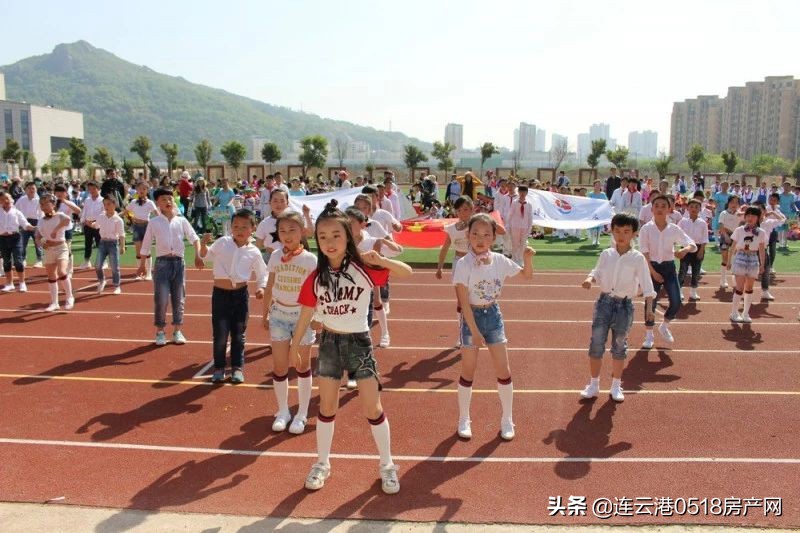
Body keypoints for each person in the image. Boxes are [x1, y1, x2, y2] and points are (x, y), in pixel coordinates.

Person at [289, 200, 413, 494]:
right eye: (322, 237)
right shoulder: (316, 277)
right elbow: (306, 313)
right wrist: (296, 345)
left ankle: (387, 465)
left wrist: (382, 261)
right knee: (327, 407)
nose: (329, 242)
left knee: (373, 407)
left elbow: (407, 272)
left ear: (347, 236)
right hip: (330, 342)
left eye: (336, 235)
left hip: (359, 342)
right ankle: (322, 463)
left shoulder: (364, 267)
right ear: (316, 240)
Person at [453, 213, 535, 439]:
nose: (480, 239)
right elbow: (463, 301)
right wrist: (475, 330)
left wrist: (527, 258)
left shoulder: (499, 260)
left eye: (486, 234)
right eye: (475, 234)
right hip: (472, 318)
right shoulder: (463, 264)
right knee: (468, 371)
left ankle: (507, 419)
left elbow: (527, 276)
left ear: (493, 238)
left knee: (503, 370)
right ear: (468, 236)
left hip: (494, 315)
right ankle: (464, 418)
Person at [580, 213, 655, 402]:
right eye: (617, 231)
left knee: (619, 346)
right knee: (596, 344)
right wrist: (590, 278)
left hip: (624, 306)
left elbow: (647, 285)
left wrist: (649, 308)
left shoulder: (637, 258)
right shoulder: (607, 254)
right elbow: (596, 270)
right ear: (612, 231)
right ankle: (594, 384)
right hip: (604, 303)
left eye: (626, 231)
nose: (621, 235)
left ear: (634, 234)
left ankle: (615, 385)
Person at [262, 211, 317, 431]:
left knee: (302, 365)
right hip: (279, 316)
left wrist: (318, 318)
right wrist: (264, 312)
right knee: (280, 365)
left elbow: (317, 292)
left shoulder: (310, 260)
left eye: (292, 230)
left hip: (302, 317)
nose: (286, 235)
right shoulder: (275, 256)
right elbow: (269, 286)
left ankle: (302, 413)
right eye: (282, 231)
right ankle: (283, 411)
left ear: (302, 232)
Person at [199, 209, 266, 384]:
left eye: (244, 226)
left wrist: (262, 288)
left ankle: (237, 368)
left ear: (253, 228)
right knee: (220, 335)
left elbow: (262, 274)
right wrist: (203, 245)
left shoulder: (254, 252)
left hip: (240, 296)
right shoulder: (222, 243)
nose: (239, 230)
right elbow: (205, 257)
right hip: (220, 295)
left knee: (238, 334)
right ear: (231, 228)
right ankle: (219, 368)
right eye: (236, 226)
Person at [137, 188, 204, 346]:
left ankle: (177, 331)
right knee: (161, 298)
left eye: (170, 199)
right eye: (163, 199)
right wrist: (142, 265)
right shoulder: (154, 222)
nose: (167, 202)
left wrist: (197, 254)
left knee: (179, 298)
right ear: (158, 204)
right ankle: (160, 331)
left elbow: (194, 238)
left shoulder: (181, 221)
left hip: (179, 264)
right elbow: (146, 245)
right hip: (162, 264)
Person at [639, 195, 697, 349]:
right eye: (656, 205)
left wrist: (684, 250)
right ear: (651, 209)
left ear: (669, 209)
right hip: (652, 268)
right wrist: (653, 272)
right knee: (650, 302)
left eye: (663, 206)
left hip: (669, 268)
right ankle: (649, 335)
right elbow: (643, 253)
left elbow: (692, 244)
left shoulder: (674, 229)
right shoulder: (646, 229)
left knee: (676, 301)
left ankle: (664, 325)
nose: (659, 209)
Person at [34, 194, 74, 311]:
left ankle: (69, 297)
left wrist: (56, 230)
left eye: (46, 203)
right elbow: (37, 236)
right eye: (42, 204)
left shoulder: (60, 216)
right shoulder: (41, 220)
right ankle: (54, 302)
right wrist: (42, 244)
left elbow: (67, 220)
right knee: (51, 276)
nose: (44, 206)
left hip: (61, 247)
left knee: (62, 272)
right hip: (49, 249)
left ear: (53, 204)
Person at [728, 207, 767, 323]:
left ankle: (745, 313)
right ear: (745, 217)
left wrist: (762, 265)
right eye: (748, 215)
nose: (750, 218)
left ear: (758, 218)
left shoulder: (761, 232)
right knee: (739, 287)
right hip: (740, 256)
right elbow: (733, 246)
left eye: (753, 216)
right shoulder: (739, 230)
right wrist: (730, 261)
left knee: (749, 288)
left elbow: (761, 249)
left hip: (753, 258)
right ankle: (734, 312)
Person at [0, 191, 35, 292]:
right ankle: (9, 283)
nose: (5, 201)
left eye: (7, 198)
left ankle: (22, 283)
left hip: (15, 238)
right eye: (2, 199)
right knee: (6, 262)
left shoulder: (17, 212)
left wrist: (35, 228)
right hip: (2, 239)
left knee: (18, 261)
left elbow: (25, 224)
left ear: (12, 199)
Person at [93, 195, 126, 295]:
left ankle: (117, 286)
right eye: (105, 204)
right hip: (102, 243)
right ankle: (102, 280)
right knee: (97, 265)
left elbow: (121, 234)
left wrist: (122, 246)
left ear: (114, 205)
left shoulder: (118, 220)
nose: (106, 206)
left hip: (113, 243)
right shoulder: (101, 216)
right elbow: (97, 226)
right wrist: (91, 223)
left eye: (108, 204)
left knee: (115, 267)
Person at [127, 181, 159, 281]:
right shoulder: (133, 202)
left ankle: (149, 273)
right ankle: (139, 272)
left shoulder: (150, 202)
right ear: (136, 189)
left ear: (147, 190)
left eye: (144, 189)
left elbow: (156, 213)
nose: (142, 190)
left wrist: (166, 221)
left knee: (146, 250)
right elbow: (126, 211)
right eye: (140, 188)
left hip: (147, 227)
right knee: (138, 250)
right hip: (136, 227)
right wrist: (113, 215)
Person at [677, 200, 709, 301]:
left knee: (696, 271)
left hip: (698, 248)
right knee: (683, 271)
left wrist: (701, 251)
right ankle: (679, 291)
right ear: (688, 208)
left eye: (696, 207)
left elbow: (705, 238)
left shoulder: (703, 223)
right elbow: (677, 233)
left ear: (700, 209)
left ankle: (693, 292)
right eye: (691, 207)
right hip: (686, 248)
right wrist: (681, 248)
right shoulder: (683, 221)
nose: (694, 209)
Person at [754, 199, 785, 301]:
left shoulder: (769, 222)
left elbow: (782, 220)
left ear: (764, 211)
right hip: (751, 250)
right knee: (748, 271)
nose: (758, 212)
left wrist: (773, 212)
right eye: (755, 210)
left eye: (760, 210)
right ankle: (741, 289)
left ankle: (765, 291)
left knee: (766, 270)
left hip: (763, 249)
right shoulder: (750, 221)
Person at [14, 181, 43, 268]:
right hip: (24, 222)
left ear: (36, 189)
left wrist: (41, 225)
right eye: (29, 188)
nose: (31, 190)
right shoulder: (21, 199)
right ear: (25, 190)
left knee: (38, 242)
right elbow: (15, 210)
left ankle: (39, 260)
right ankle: (23, 259)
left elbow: (42, 213)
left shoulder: (39, 200)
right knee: (22, 242)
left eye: (33, 188)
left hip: (36, 222)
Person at [717, 196, 742, 289]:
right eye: (732, 202)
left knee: (735, 259)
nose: (734, 204)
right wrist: (726, 236)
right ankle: (723, 280)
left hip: (736, 238)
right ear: (728, 203)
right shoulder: (723, 213)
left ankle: (734, 280)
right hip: (725, 237)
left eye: (736, 202)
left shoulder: (740, 214)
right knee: (725, 258)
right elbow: (721, 225)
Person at [79, 181, 104, 269]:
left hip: (98, 225)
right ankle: (87, 261)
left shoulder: (102, 200)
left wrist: (96, 223)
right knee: (88, 243)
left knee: (99, 243)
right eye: (89, 189)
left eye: (94, 189)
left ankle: (103, 261)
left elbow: (103, 213)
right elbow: (84, 211)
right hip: (87, 224)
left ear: (99, 189)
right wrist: (84, 221)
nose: (92, 191)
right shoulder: (87, 200)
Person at [507, 185, 533, 266]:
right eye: (521, 191)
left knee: (523, 243)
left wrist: (530, 227)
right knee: (515, 243)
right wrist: (508, 225)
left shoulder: (529, 204)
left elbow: (530, 216)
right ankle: (514, 259)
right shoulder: (515, 202)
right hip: (515, 226)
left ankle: (520, 259)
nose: (522, 193)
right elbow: (510, 214)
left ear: (526, 193)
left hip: (525, 226)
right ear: (518, 192)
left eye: (524, 191)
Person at [587, 180, 608, 246]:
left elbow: (606, 202)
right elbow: (587, 203)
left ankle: (597, 240)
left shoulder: (603, 194)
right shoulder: (590, 194)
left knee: (599, 227)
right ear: (594, 186)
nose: (598, 186)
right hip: (593, 213)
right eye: (597, 184)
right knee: (593, 227)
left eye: (599, 184)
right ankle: (593, 240)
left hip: (600, 213)